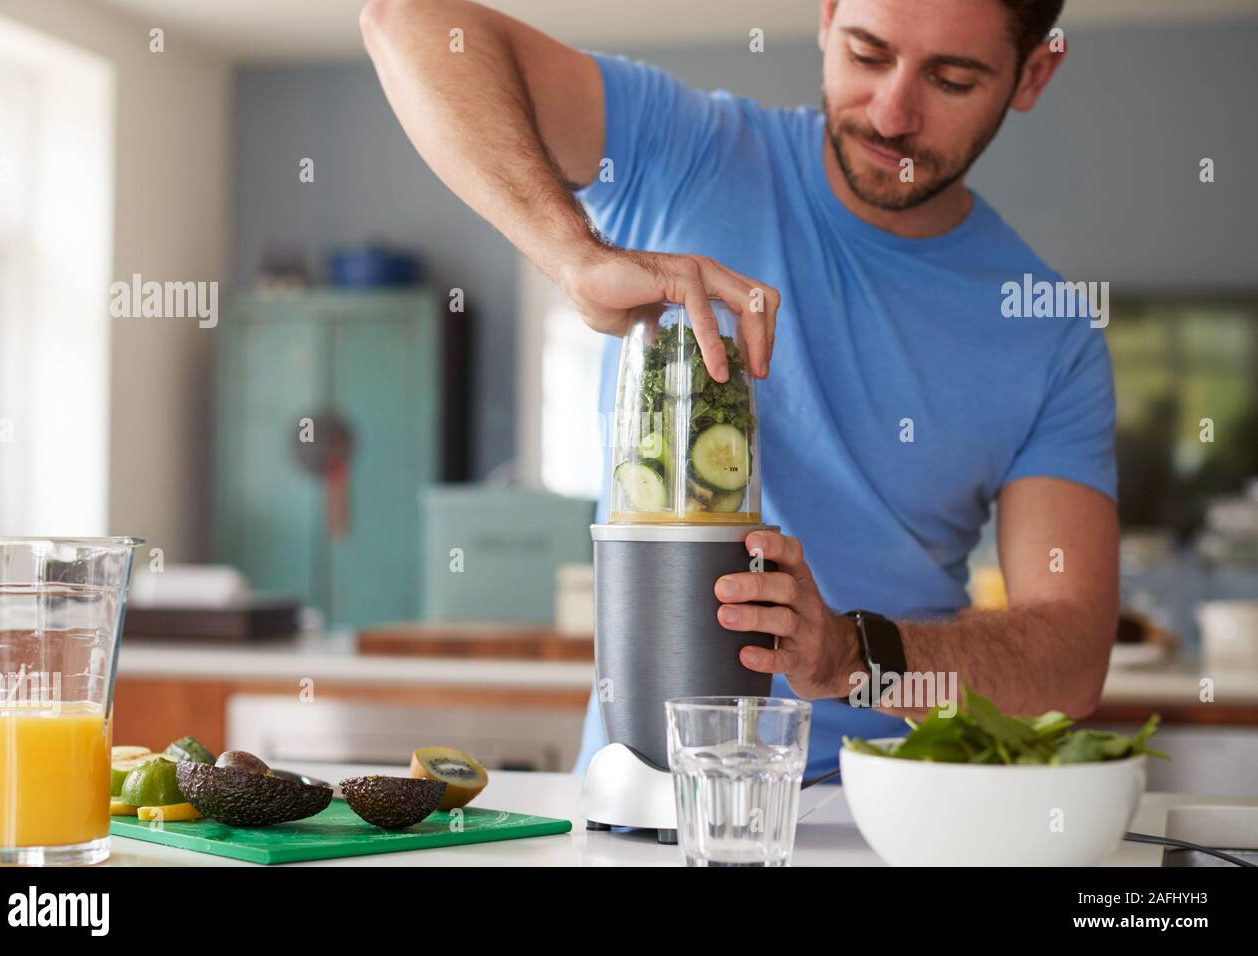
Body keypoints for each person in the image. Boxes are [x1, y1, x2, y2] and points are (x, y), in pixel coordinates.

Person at [361, 0, 1119, 777]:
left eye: (952, 79)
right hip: (646, 793)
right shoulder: (684, 150)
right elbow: (406, 21)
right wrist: (572, 255)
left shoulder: (1047, 332)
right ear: (826, 17)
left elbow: (1068, 660)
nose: (893, 114)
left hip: (893, 809)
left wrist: (852, 656)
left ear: (1032, 73)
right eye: (867, 54)